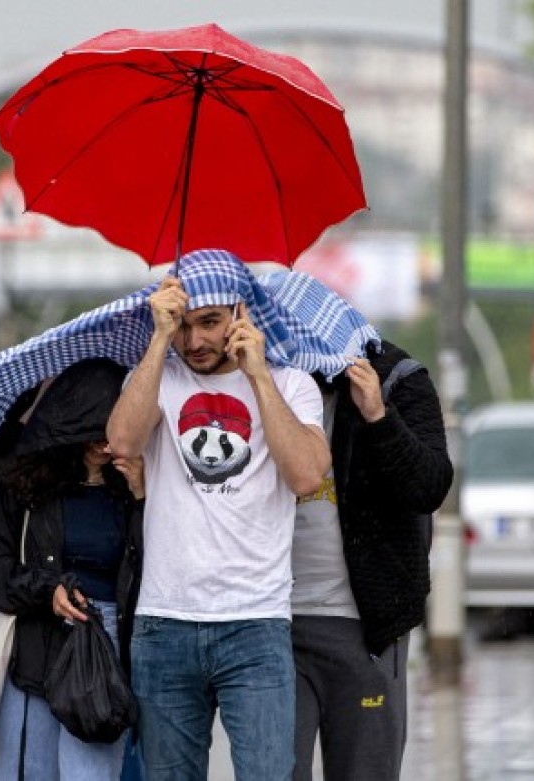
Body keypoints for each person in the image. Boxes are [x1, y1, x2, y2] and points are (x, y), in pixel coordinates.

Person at [106, 249, 330, 781]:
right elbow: (121, 440)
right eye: (183, 326)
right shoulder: (160, 376)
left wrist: (258, 377)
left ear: (241, 315)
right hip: (164, 626)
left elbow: (306, 476)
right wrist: (158, 340)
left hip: (255, 624)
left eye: (208, 323)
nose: (195, 341)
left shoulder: (292, 385)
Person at [0, 358, 145, 781]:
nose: (105, 440)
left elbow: (163, 566)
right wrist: (46, 592)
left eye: (116, 423)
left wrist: (141, 495)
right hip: (35, 655)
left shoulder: (140, 484)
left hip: (108, 656)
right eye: (94, 426)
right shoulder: (23, 484)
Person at [290, 339, 453, 781]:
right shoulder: (256, 380)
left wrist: (379, 416)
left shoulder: (397, 377)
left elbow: (429, 486)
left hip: (366, 625)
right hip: (271, 625)